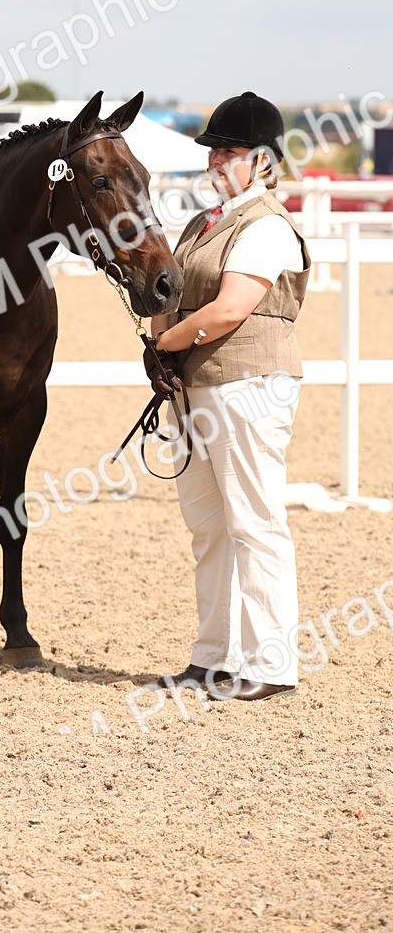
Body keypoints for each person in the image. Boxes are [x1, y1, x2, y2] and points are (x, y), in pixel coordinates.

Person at [145, 91, 311, 702]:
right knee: (210, 527)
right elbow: (170, 293)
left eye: (228, 151)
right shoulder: (202, 224)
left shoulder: (267, 225)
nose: (215, 160)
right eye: (212, 150)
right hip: (199, 391)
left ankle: (271, 662)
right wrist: (156, 336)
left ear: (263, 159)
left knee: (255, 522)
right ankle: (213, 656)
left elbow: (230, 309)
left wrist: (168, 346)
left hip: (248, 388)